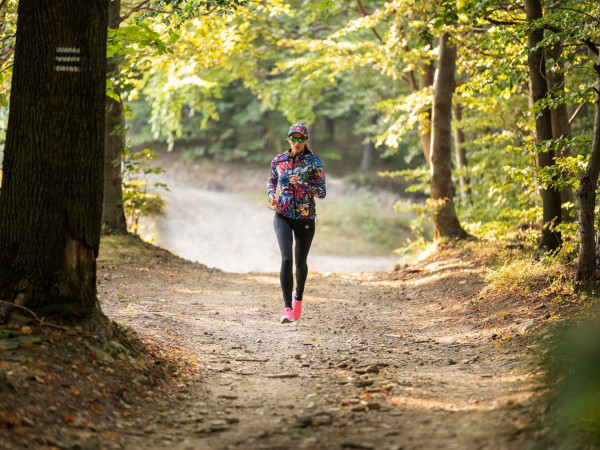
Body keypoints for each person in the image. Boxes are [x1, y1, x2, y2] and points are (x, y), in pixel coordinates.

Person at [267, 123, 326, 324]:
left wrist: (301, 183)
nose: (297, 141)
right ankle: (286, 308)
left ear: (306, 140)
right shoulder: (279, 160)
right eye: (294, 137)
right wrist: (271, 196)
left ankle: (298, 299)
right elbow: (271, 180)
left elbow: (322, 192)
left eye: (301, 138)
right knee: (286, 259)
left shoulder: (314, 162)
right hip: (282, 214)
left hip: (305, 217)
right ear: (289, 139)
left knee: (300, 263)